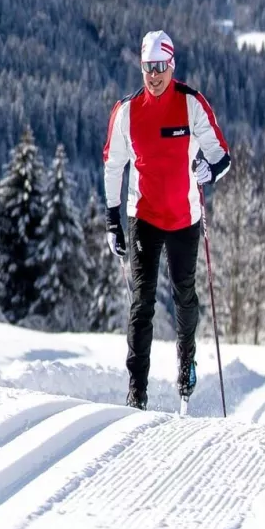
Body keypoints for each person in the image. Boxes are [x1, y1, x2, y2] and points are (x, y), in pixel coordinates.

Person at [102, 29, 230, 409]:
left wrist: (210, 169)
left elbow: (221, 153)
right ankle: (136, 390)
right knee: (142, 303)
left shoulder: (191, 104)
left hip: (184, 218)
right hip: (143, 215)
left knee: (184, 298)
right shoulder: (126, 111)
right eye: (147, 67)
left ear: (171, 65)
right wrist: (112, 220)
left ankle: (186, 361)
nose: (154, 75)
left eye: (160, 66)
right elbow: (113, 166)